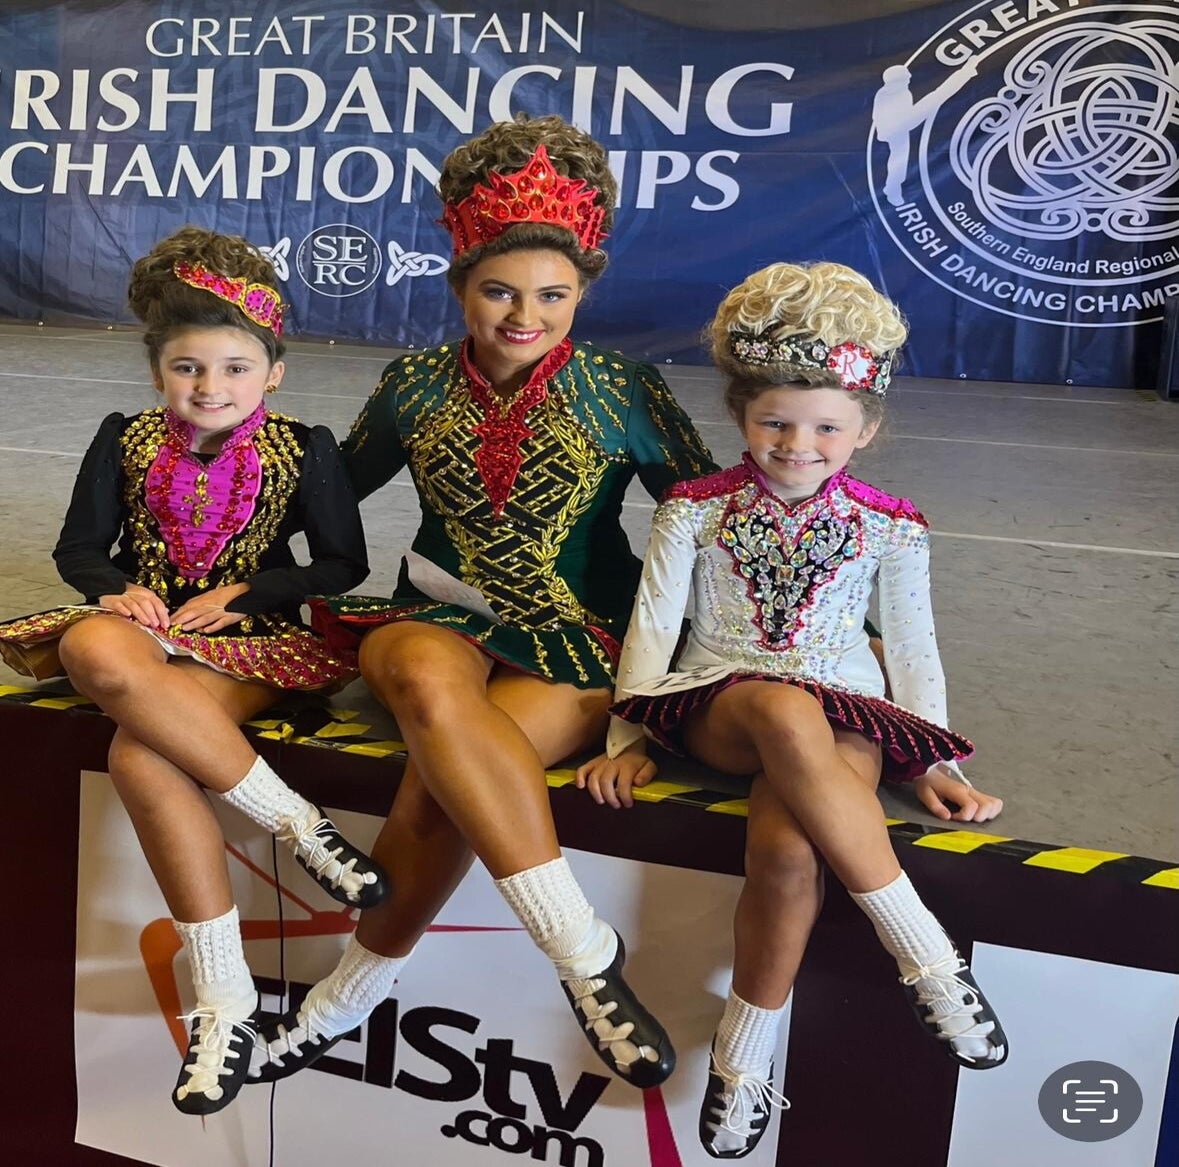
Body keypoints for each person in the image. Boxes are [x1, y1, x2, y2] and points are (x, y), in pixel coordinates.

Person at [249, 115, 715, 1090]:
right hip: (433, 618)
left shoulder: (625, 390)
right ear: (460, 283)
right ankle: (583, 953)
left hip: (575, 635)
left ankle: (348, 993)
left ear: (582, 291)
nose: (523, 316)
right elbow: (323, 499)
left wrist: (810, 650)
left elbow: (710, 526)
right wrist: (216, 565)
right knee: (426, 682)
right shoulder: (413, 384)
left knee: (447, 779)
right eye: (499, 291)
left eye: (553, 295)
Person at [575, 261, 1007, 1158]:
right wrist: (628, 734)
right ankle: (925, 953)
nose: (796, 443)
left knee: (785, 850)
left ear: (865, 429)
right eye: (774, 421)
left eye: (824, 427)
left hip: (844, 711)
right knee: (779, 709)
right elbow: (654, 626)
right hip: (723, 703)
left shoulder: (891, 524)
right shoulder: (694, 509)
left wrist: (934, 759)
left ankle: (741, 1057)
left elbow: (912, 647)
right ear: (740, 416)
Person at [0, 227, 387, 1116]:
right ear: (156, 371)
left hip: (250, 639)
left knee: (140, 755)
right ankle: (299, 827)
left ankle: (224, 998)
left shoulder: (304, 447)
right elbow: (77, 548)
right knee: (89, 645)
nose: (210, 387)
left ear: (273, 372)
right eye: (187, 368)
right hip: (146, 631)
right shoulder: (125, 439)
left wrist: (250, 593)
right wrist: (118, 588)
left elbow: (342, 563)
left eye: (234, 368)